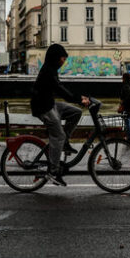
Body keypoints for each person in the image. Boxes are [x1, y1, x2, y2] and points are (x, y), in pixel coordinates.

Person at [30, 44, 89, 186]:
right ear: (56, 58)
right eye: (63, 58)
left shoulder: (52, 69)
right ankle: (53, 173)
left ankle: (64, 143)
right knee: (59, 135)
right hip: (43, 108)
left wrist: (79, 98)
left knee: (76, 112)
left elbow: (61, 89)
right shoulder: (48, 72)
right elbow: (61, 91)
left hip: (50, 104)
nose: (64, 61)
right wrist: (79, 99)